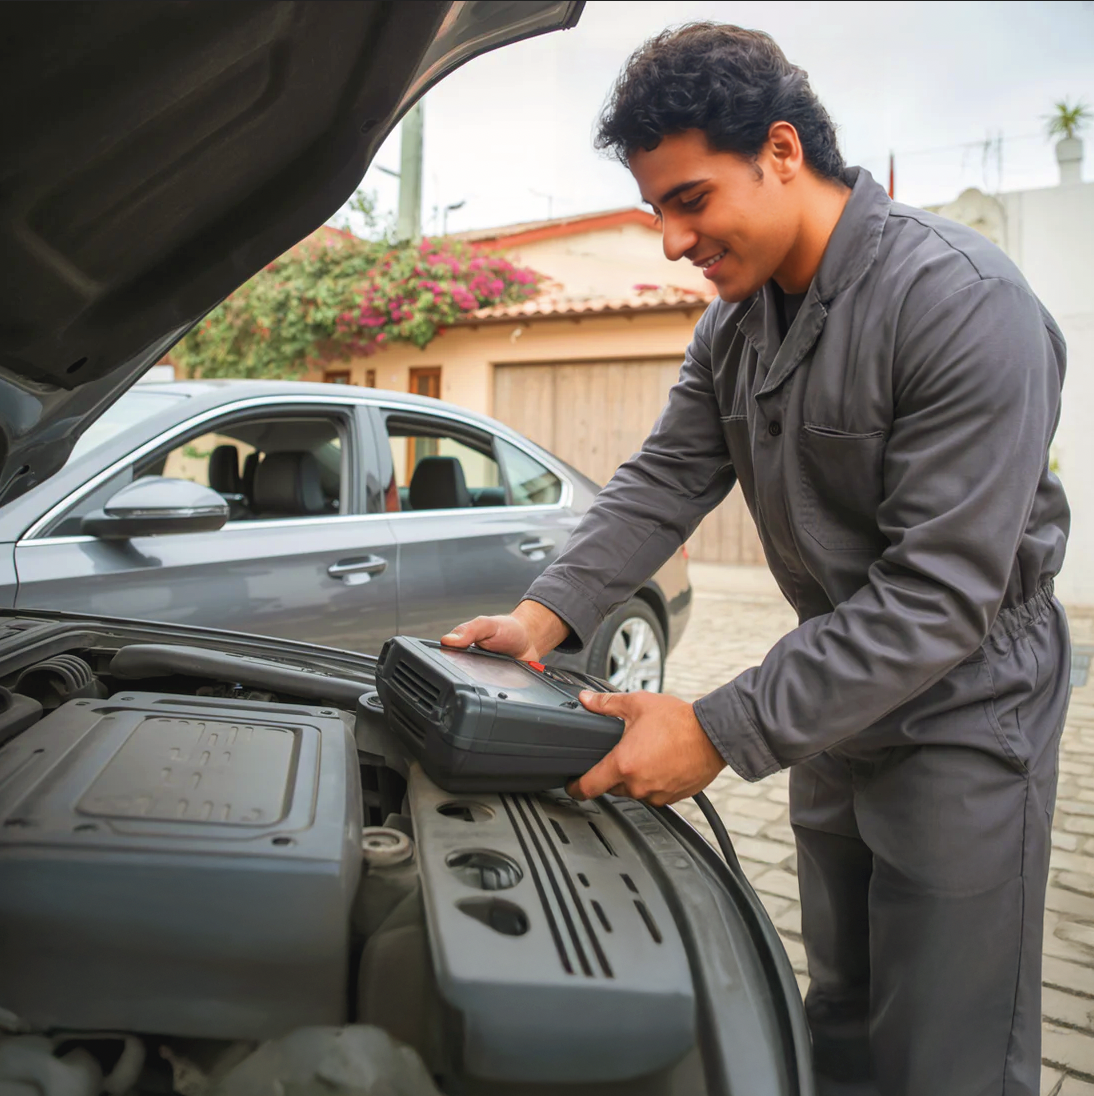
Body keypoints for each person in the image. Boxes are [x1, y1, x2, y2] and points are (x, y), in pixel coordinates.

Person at [442, 23, 1070, 1096]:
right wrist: (542, 619)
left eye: (689, 201)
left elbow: (937, 594)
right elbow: (662, 480)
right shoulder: (731, 331)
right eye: (656, 213)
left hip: (967, 707)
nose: (672, 242)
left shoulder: (959, 301)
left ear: (781, 151)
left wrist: (717, 729)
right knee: (839, 1012)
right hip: (831, 699)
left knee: (945, 1049)